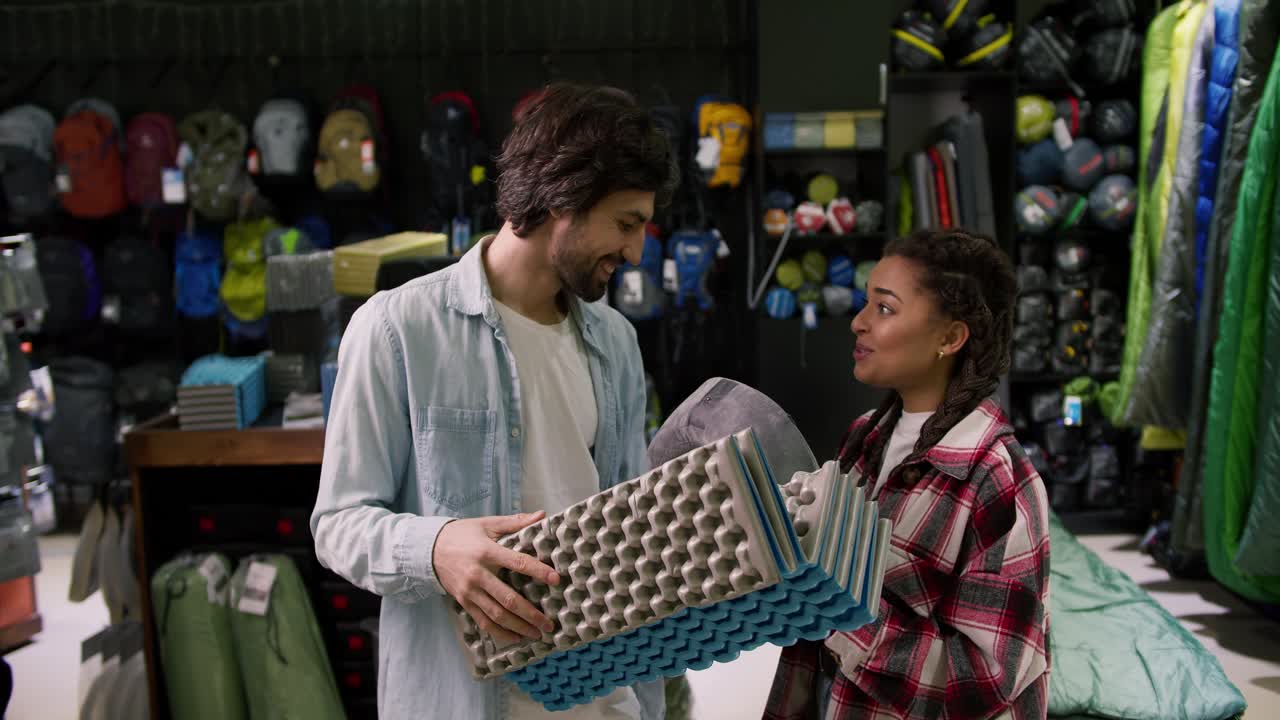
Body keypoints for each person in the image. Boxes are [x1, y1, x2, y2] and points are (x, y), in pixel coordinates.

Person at [311, 83, 678, 720]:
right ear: (564, 198)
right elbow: (338, 524)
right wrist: (435, 547)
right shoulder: (397, 330)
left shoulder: (616, 341)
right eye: (626, 223)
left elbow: (631, 523)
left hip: (604, 700)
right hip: (466, 700)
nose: (636, 251)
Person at [763, 229, 1051, 720]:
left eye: (885, 308)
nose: (858, 323)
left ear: (950, 338)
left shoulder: (996, 478)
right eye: (865, 304)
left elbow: (983, 681)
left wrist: (834, 612)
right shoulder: (864, 439)